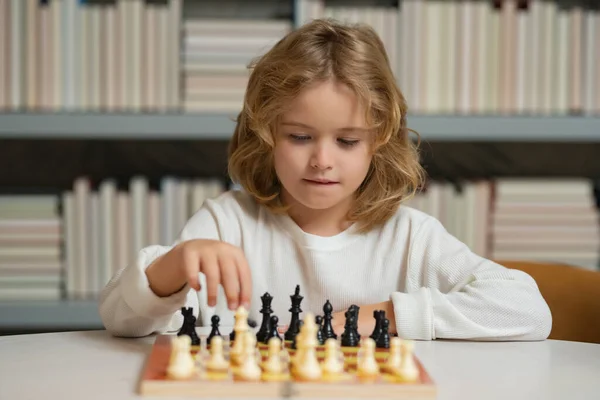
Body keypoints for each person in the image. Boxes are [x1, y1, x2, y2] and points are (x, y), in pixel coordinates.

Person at [99, 18, 552, 341]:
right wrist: (174, 266)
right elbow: (119, 320)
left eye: (347, 141)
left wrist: (388, 315)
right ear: (266, 135)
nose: (321, 161)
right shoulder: (226, 224)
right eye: (299, 136)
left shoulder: (409, 238)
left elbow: (527, 310)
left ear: (379, 142)